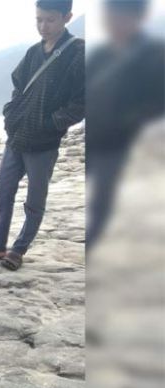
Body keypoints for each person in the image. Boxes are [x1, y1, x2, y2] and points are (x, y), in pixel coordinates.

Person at [0, 0, 85, 271]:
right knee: (3, 192)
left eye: (50, 20)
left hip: (44, 141)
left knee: (35, 198)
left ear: (67, 17)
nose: (43, 26)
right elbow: (18, 86)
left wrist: (53, 123)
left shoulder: (78, 52)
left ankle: (18, 250)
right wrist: (11, 114)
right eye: (39, 20)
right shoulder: (33, 52)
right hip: (18, 135)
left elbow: (84, 100)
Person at [86, 0, 164, 248]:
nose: (114, 23)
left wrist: (125, 123)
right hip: (93, 138)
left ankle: (95, 247)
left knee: (105, 200)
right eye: (110, 17)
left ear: (137, 18)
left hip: (122, 142)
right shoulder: (100, 54)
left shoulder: (154, 54)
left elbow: (157, 101)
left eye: (120, 17)